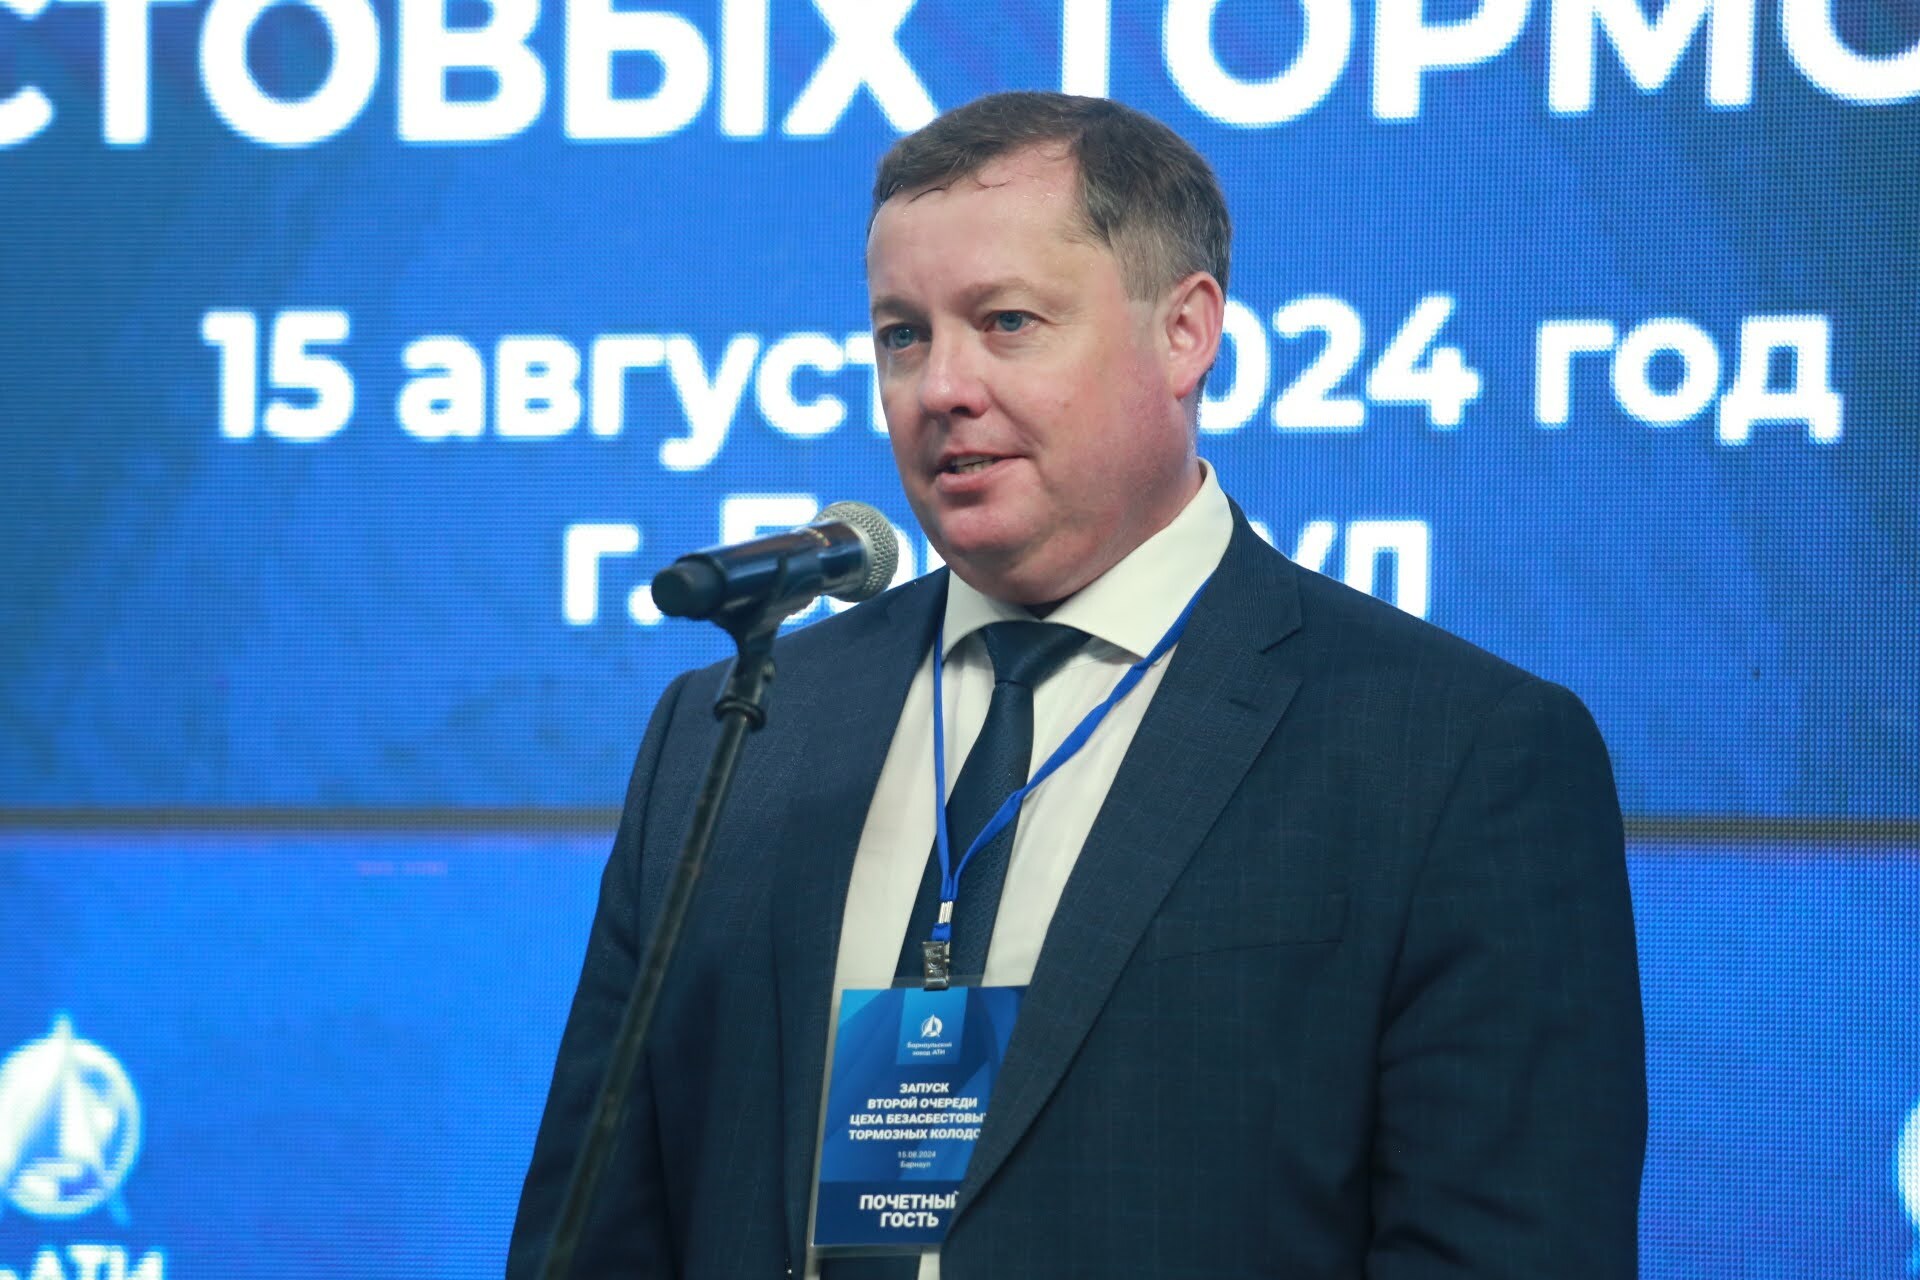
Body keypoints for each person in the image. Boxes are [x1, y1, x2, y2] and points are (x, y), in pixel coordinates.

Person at [508, 91, 1645, 1279]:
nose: (940, 386)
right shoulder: (737, 728)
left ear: (1185, 333)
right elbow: (593, 1236)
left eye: (1006, 322)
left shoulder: (1456, 754)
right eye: (902, 335)